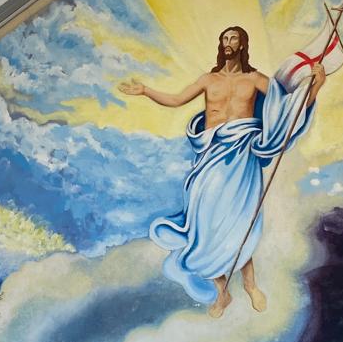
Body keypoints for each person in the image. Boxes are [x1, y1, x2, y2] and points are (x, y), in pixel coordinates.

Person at [119, 26, 324, 317]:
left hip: (242, 155)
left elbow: (288, 108)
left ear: (242, 44)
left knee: (239, 220)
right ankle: (221, 292)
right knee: (203, 223)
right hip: (210, 155)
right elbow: (176, 100)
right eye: (225, 39)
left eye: (233, 38)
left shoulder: (255, 79)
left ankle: (250, 285)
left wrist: (315, 86)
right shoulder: (208, 79)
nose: (228, 42)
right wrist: (145, 91)